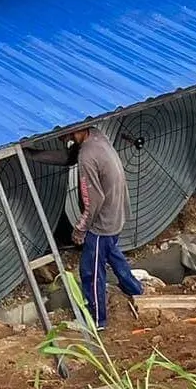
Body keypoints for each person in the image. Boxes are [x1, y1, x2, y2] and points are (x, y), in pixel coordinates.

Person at [71, 125, 144, 329]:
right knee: (112, 254)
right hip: (118, 213)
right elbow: (67, 157)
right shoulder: (96, 136)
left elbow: (93, 200)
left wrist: (80, 228)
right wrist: (34, 155)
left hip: (102, 223)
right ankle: (135, 289)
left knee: (91, 271)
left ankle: (96, 320)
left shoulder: (86, 155)